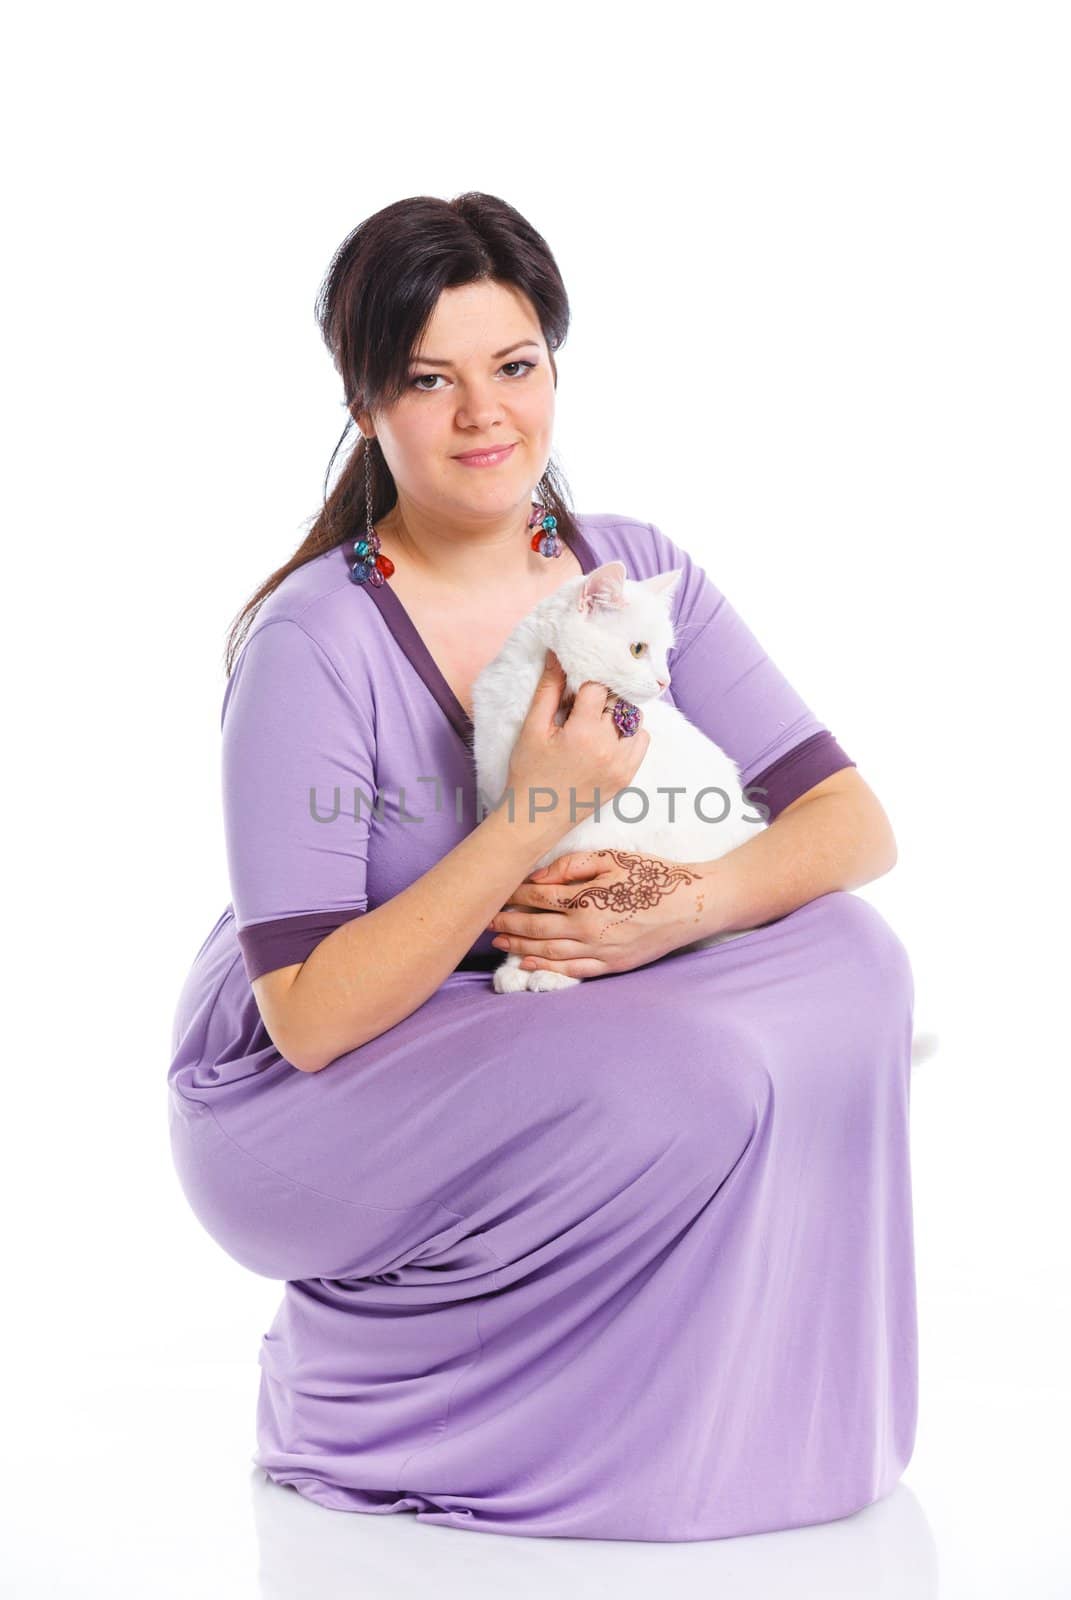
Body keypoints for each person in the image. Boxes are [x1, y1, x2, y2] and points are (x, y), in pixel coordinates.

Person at [167, 192, 918, 1543]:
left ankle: (740, 1417)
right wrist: (539, 813)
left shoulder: (629, 571)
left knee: (859, 960)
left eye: (514, 367)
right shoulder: (318, 640)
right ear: (365, 403)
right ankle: (429, 1410)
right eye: (428, 380)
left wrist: (674, 910)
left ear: (555, 368)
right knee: (687, 1073)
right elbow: (311, 1013)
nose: (483, 417)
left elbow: (853, 827)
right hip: (317, 1079)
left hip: (541, 1005)